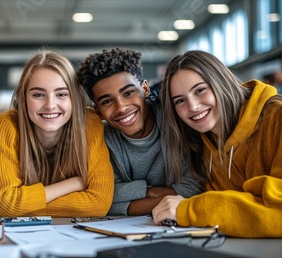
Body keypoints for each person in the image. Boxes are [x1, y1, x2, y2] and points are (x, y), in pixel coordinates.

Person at [153, 50, 282, 237]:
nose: (192, 106)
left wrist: (190, 210)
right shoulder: (205, 142)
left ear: (220, 83)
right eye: (180, 101)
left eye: (200, 90)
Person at [0, 50, 114, 217]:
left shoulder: (89, 123)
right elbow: (8, 204)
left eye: (61, 94)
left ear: (74, 98)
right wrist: (74, 183)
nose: (50, 105)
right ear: (23, 98)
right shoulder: (5, 127)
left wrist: (23, 204)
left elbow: (99, 204)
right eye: (38, 95)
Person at [76, 48, 203, 216]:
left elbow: (193, 190)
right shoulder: (100, 141)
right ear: (98, 111)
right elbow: (105, 200)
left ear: (145, 89)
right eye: (107, 101)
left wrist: (134, 197)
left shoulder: (176, 122)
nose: (121, 107)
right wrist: (150, 191)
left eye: (128, 93)